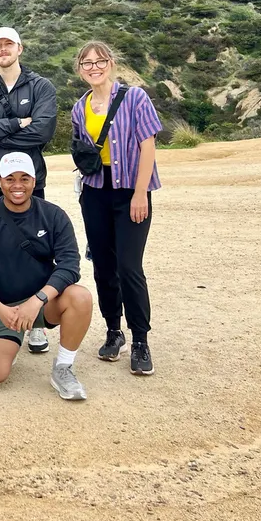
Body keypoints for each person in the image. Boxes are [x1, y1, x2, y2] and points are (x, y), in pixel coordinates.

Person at [0, 152, 93, 400]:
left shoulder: (53, 216)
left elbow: (69, 265)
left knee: (80, 297)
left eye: (24, 178)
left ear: (35, 180)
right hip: (3, 309)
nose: (17, 186)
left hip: (43, 303)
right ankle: (3, 339)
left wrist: (37, 300)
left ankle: (63, 368)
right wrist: (0, 309)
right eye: (10, 179)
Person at [0, 26, 58, 354]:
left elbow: (42, 131)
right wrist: (18, 123)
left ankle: (36, 324)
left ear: (20, 48)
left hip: (30, 184)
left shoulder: (41, 86)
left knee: (35, 249)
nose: (3, 50)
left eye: (8, 44)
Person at [71, 41, 163, 376]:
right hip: (95, 192)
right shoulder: (79, 108)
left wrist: (141, 193)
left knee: (129, 267)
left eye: (100, 61)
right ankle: (114, 331)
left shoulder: (135, 98)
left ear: (111, 63)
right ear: (80, 70)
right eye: (86, 63)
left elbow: (147, 145)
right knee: (103, 267)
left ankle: (141, 340)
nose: (94, 67)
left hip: (130, 192)